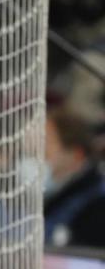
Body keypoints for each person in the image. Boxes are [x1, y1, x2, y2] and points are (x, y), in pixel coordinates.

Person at [43, 106, 105, 248]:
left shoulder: (97, 202)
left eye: (48, 145)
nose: (40, 155)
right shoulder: (60, 192)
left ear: (76, 154)